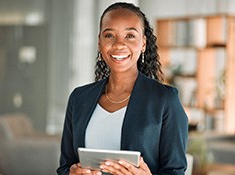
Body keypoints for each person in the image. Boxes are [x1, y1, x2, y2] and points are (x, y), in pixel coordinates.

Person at [57, 2, 188, 175]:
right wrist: (71, 173)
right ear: (99, 42)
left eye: (130, 36)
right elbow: (64, 167)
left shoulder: (165, 100)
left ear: (143, 43)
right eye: (109, 35)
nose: (119, 44)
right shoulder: (79, 98)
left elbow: (176, 171)